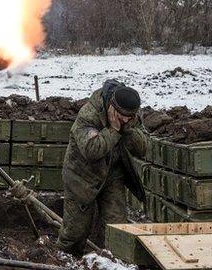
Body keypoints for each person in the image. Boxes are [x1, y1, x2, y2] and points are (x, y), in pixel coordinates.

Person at [56, 79, 147, 256]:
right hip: (81, 176)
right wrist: (114, 130)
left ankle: (115, 262)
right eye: (123, 116)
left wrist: (127, 130)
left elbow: (143, 148)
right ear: (111, 106)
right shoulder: (89, 114)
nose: (126, 120)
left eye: (130, 117)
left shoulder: (131, 115)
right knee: (75, 232)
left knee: (117, 227)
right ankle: (64, 260)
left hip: (113, 175)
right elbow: (92, 150)